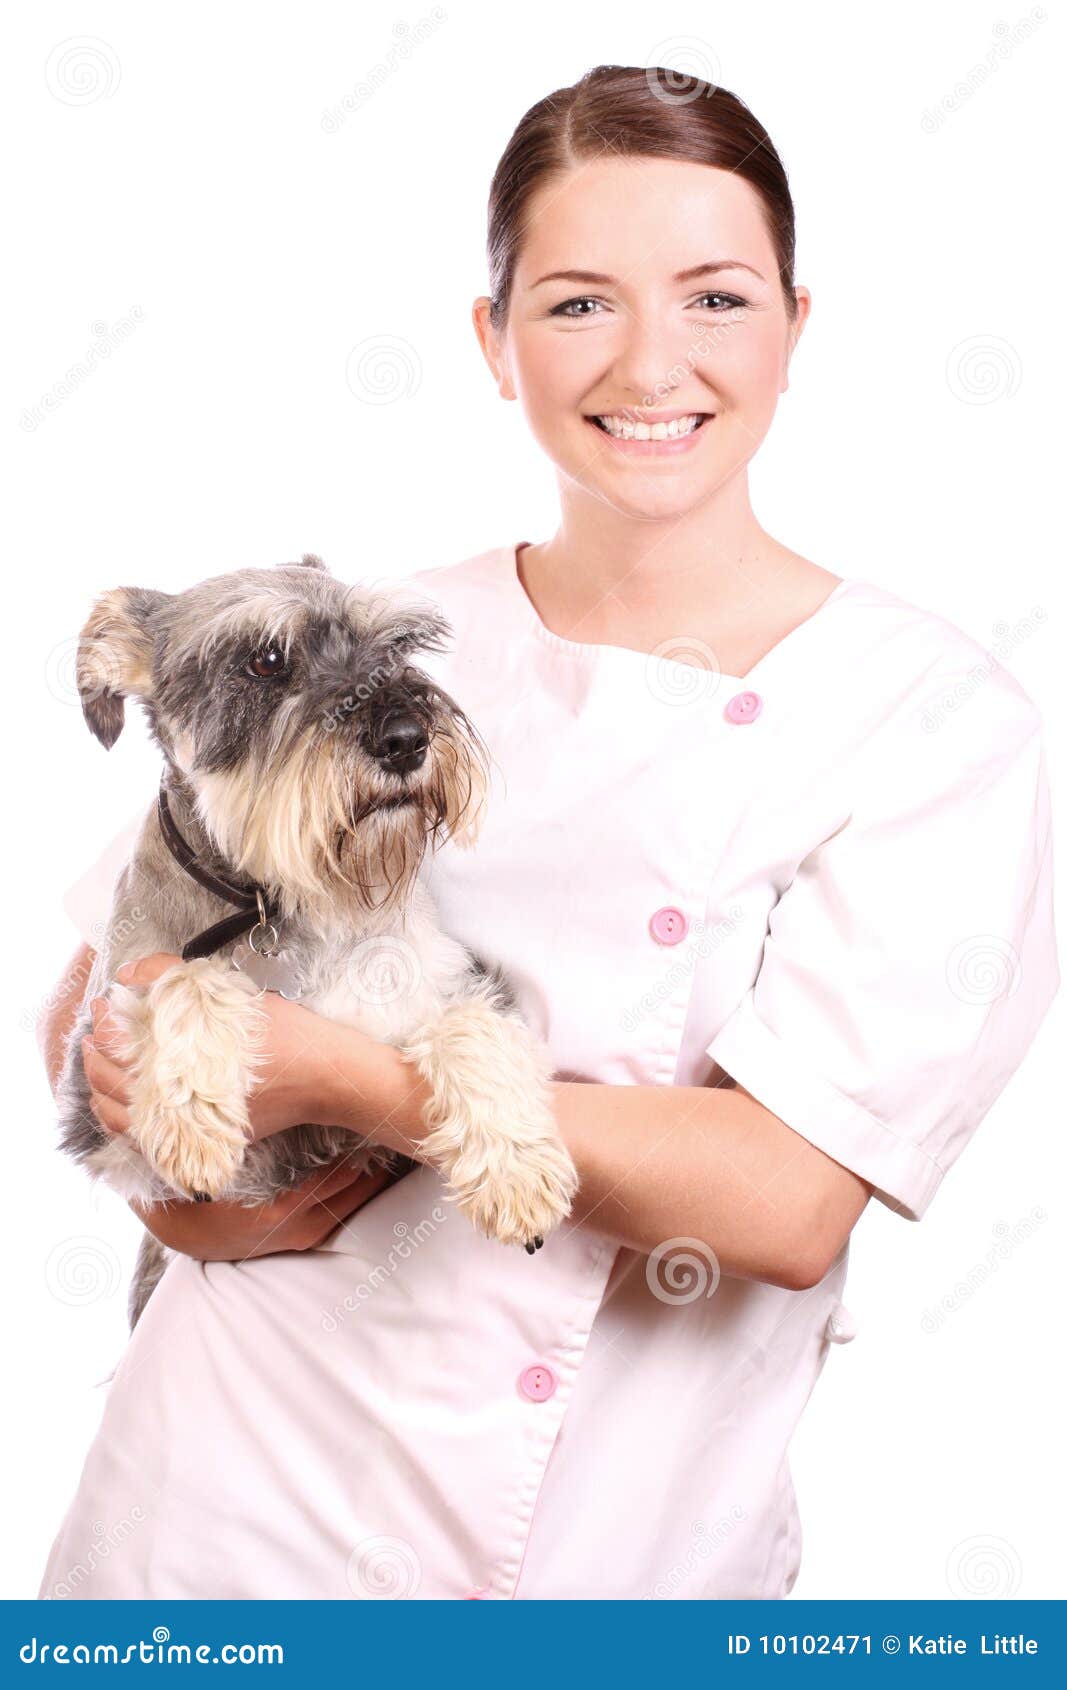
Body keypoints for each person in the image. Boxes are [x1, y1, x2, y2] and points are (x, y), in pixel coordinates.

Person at [39, 65, 1058, 1601]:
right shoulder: (375, 643)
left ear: (797, 323)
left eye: (715, 298)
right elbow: (109, 969)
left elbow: (786, 1201)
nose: (652, 362)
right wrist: (183, 1192)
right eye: (579, 303)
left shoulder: (930, 714)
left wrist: (352, 1085)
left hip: (615, 1552)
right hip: (212, 1516)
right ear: (493, 341)